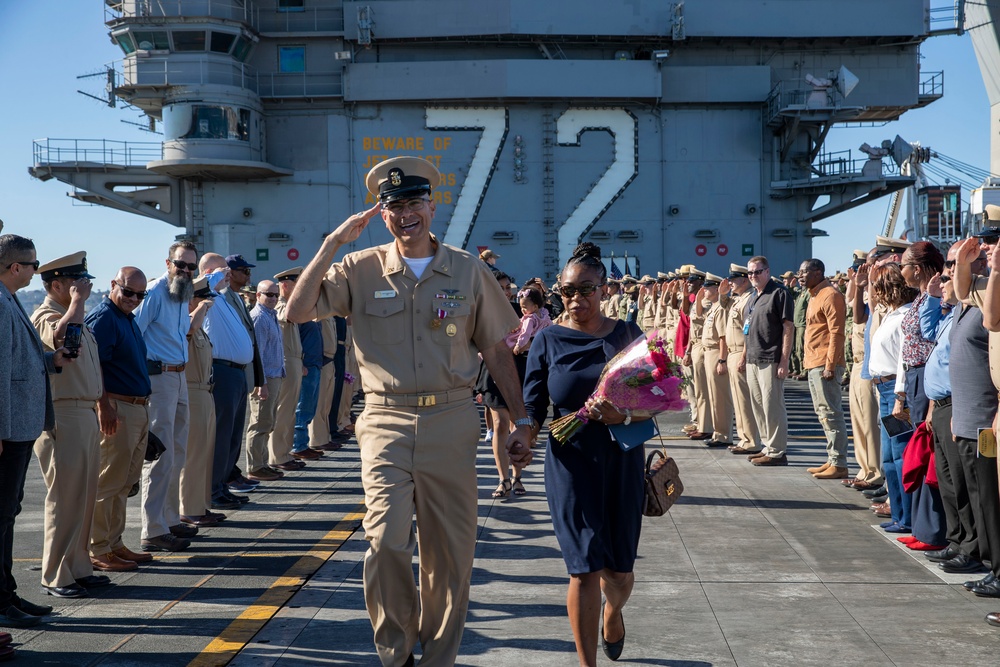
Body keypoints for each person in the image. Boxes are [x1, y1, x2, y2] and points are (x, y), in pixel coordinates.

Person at [284, 156, 532, 666]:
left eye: (414, 203)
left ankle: (438, 657)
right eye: (393, 206)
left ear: (431, 206)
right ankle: (396, 652)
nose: (405, 214)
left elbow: (497, 349)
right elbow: (297, 311)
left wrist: (523, 420)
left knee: (450, 555)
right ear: (383, 214)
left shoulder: (467, 269)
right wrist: (333, 244)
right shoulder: (357, 267)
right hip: (384, 421)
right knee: (386, 543)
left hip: (451, 420)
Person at [523, 242, 646, 666]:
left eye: (586, 290)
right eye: (567, 292)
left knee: (619, 573)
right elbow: (534, 405)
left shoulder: (628, 335)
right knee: (583, 567)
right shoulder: (547, 339)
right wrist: (525, 435)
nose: (576, 300)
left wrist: (624, 415)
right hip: (570, 461)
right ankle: (586, 663)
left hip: (621, 458)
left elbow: (659, 397)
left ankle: (614, 611)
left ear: (604, 289)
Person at [30, 252, 109, 599]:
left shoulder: (72, 314)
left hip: (85, 412)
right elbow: (60, 340)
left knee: (84, 497)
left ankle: (78, 567)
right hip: (63, 414)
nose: (84, 287)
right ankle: (55, 575)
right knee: (64, 497)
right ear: (58, 284)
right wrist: (77, 302)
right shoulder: (47, 314)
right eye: (76, 282)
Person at [0, 235, 68, 633]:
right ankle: (2, 600)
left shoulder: (9, 300)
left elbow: (17, 360)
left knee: (8, 514)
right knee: (1, 516)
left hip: (19, 425)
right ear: (15, 268)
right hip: (10, 428)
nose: (35, 270)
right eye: (32, 264)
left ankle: (6, 592)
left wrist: (50, 360)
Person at [86, 267, 154, 573]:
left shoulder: (126, 318)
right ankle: (98, 547)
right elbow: (92, 364)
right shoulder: (104, 318)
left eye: (140, 295)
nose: (134, 299)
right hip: (117, 408)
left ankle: (114, 543)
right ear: (113, 285)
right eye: (128, 292)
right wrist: (104, 405)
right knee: (109, 481)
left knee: (125, 482)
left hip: (136, 408)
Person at [133, 241, 198, 552]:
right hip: (159, 378)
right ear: (168, 262)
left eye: (190, 267)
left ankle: (170, 519)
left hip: (180, 375)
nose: (185, 271)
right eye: (180, 264)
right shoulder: (157, 292)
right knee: (159, 455)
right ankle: (153, 529)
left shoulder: (182, 295)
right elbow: (134, 332)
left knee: (177, 453)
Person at [866, 263, 917, 534]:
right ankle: (898, 514)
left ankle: (907, 517)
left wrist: (900, 396)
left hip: (894, 391)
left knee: (900, 456)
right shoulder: (892, 315)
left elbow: (903, 362)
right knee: (888, 457)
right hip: (883, 389)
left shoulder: (904, 318)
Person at [179, 276, 225, 526]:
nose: (209, 305)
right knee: (193, 454)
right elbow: (189, 329)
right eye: (205, 300)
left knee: (204, 453)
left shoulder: (200, 327)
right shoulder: (186, 323)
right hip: (192, 392)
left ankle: (200, 505)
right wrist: (200, 308)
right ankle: (188, 508)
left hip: (205, 391)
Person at [797, 258, 849, 479]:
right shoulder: (814, 295)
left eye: (804, 271)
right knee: (823, 414)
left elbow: (836, 333)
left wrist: (830, 366)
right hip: (814, 362)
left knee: (831, 413)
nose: (800, 276)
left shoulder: (831, 295)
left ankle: (839, 462)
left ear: (818, 272)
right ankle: (831, 459)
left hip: (824, 364)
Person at [743, 256, 794, 466]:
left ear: (767, 271)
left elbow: (788, 328)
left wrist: (784, 361)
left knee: (772, 406)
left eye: (757, 272)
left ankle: (777, 451)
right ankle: (767, 446)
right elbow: (747, 328)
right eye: (750, 273)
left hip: (770, 358)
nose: (753, 276)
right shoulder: (752, 297)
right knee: (758, 406)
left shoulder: (779, 293)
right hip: (753, 359)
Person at [245, 280, 287, 482]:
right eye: (268, 294)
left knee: (268, 422)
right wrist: (260, 383)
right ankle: (255, 466)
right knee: (259, 423)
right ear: (258, 295)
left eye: (276, 295)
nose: (273, 299)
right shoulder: (259, 318)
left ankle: (262, 463)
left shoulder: (271, 316)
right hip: (266, 379)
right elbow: (257, 354)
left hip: (274, 376)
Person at [268, 267, 307, 472]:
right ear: (285, 285)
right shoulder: (280, 306)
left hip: (294, 361)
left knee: (290, 411)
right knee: (283, 411)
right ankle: (276, 456)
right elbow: (290, 317)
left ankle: (284, 452)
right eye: (296, 283)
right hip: (285, 361)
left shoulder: (288, 305)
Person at [721, 264, 761, 455]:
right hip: (732, 352)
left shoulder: (748, 300)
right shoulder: (738, 299)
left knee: (745, 400)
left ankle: (751, 440)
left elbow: (748, 331)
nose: (730, 283)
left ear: (744, 280)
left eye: (733, 279)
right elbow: (723, 305)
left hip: (740, 352)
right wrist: (723, 294)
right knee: (738, 400)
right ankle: (744, 438)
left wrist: (744, 356)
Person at [700, 273, 733, 448]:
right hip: (708, 352)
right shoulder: (713, 307)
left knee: (720, 397)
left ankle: (724, 435)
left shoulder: (720, 309)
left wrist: (722, 360)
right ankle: (718, 432)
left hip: (716, 353)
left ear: (716, 289)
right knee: (713, 396)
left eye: (708, 287)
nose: (704, 289)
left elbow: (723, 337)